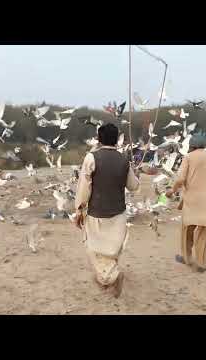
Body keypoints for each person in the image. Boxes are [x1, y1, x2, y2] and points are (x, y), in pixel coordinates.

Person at [74, 123, 140, 297]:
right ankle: (106, 279)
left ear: (99, 139)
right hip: (119, 213)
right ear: (116, 139)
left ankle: (111, 277)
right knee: (113, 248)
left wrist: (79, 210)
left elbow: (84, 187)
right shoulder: (124, 159)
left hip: (97, 212)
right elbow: (133, 186)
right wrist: (135, 173)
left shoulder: (91, 158)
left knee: (94, 247)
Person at [166, 135, 206, 272]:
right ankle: (201, 263)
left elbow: (180, 179)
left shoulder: (188, 157)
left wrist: (172, 191)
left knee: (187, 228)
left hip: (192, 200)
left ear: (191, 145)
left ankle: (187, 258)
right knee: (205, 231)